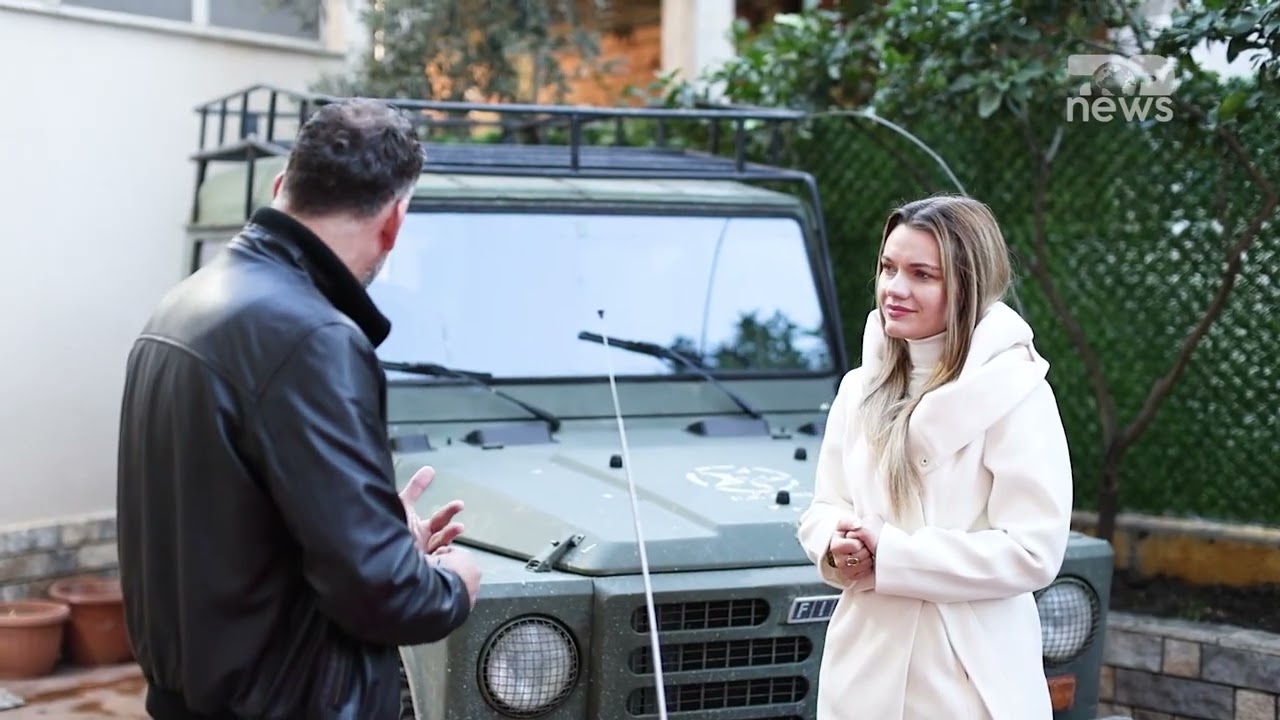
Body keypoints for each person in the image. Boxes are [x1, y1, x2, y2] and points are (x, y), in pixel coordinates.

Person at [116, 97, 482, 720]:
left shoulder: (182, 306)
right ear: (393, 222)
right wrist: (453, 584)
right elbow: (385, 598)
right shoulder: (314, 338)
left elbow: (231, 527)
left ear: (281, 185)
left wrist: (379, 533)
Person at [796, 194, 1074, 720]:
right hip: (863, 670)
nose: (894, 289)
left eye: (922, 274)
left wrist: (894, 554)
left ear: (969, 286)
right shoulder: (858, 389)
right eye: (888, 267)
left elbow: (1034, 550)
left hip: (969, 678)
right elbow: (825, 505)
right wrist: (835, 543)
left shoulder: (1017, 393)